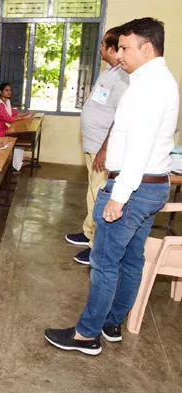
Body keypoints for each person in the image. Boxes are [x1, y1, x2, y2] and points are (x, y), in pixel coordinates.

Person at [45, 18, 178, 356]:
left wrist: (118, 197)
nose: (120, 55)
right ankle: (112, 323)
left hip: (133, 189)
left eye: (125, 48)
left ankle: (86, 335)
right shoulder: (160, 80)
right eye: (118, 48)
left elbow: (140, 147)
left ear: (146, 48)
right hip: (151, 186)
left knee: (105, 264)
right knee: (132, 261)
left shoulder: (148, 87)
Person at [64, 27, 130, 265]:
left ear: (113, 49)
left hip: (103, 149)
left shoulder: (123, 77)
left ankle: (96, 247)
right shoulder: (109, 72)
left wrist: (104, 148)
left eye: (103, 44)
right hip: (93, 145)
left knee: (99, 193)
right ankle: (88, 232)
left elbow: (120, 118)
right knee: (92, 190)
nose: (100, 48)